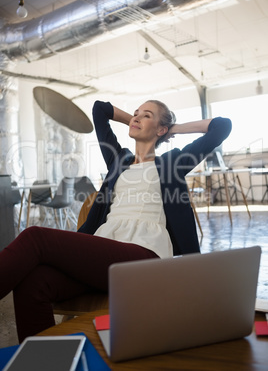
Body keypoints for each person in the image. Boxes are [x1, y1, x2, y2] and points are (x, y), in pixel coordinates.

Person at [0, 99, 231, 342]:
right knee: (35, 281)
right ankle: (41, 361)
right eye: (135, 114)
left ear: (161, 129)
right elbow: (100, 109)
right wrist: (136, 120)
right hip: (105, 256)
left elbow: (222, 126)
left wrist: (171, 128)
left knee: (36, 237)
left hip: (144, 257)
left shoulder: (173, 162)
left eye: (147, 115)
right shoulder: (118, 160)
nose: (137, 118)